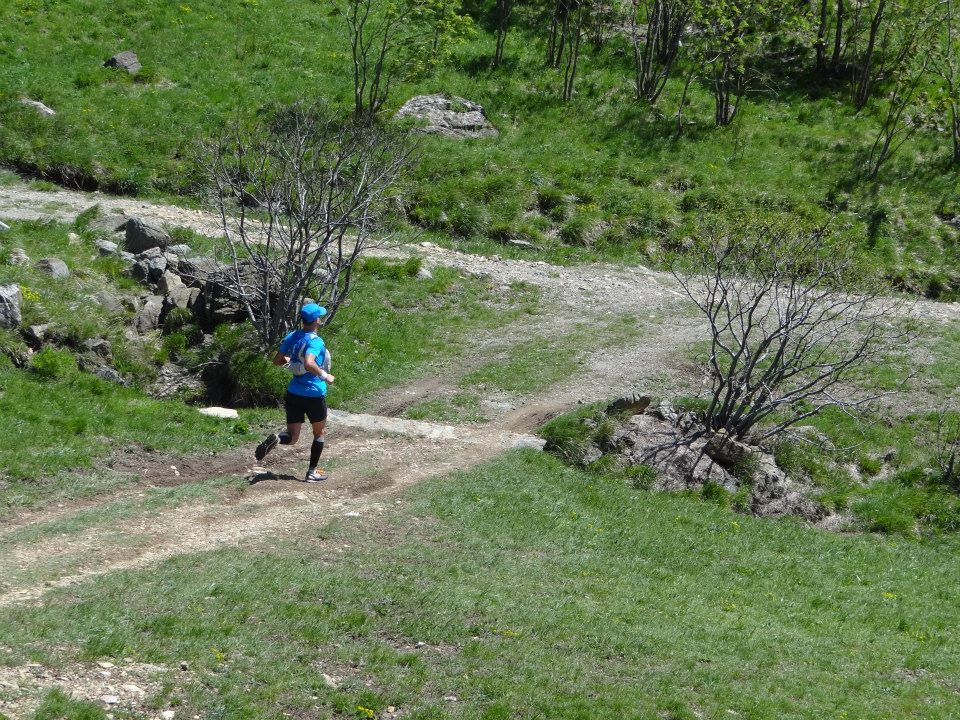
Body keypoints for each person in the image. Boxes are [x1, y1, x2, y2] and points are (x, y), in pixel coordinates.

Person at [254, 302, 335, 482]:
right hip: (314, 394)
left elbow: (277, 360)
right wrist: (324, 375)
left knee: (292, 438)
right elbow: (309, 362)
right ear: (316, 320)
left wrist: (291, 359)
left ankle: (277, 438)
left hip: (294, 393)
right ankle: (312, 472)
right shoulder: (315, 341)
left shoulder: (292, 336)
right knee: (319, 434)